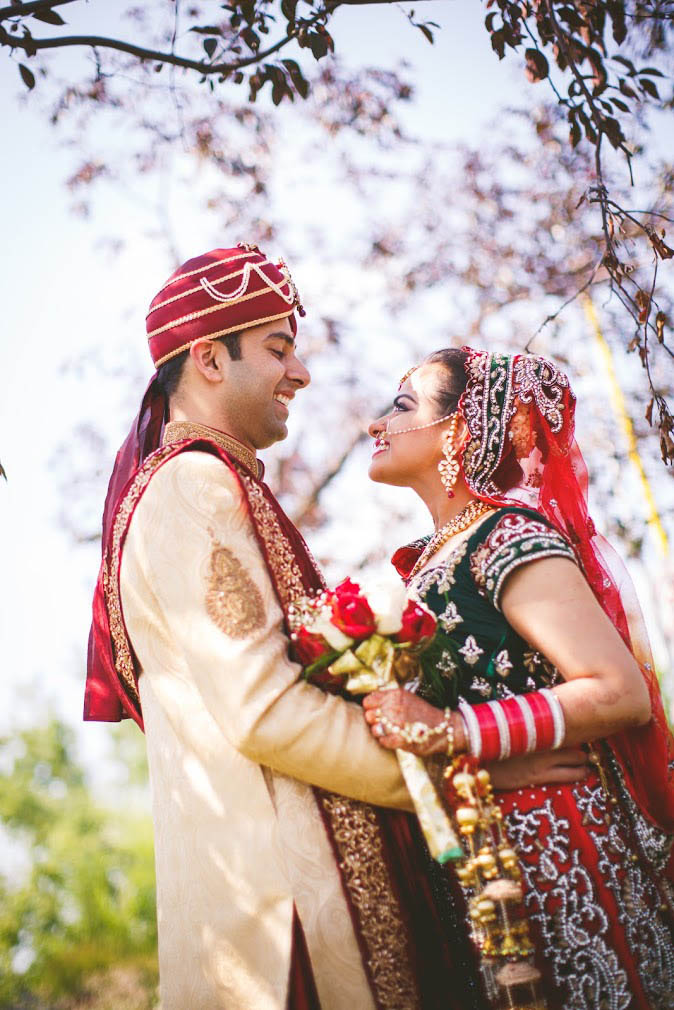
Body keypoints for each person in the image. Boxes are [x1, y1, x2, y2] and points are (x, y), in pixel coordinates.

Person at [84, 248, 593, 1010]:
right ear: (208, 361)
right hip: (283, 922)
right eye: (278, 350)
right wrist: (459, 776)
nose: (301, 375)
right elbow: (265, 712)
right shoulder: (193, 486)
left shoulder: (214, 482)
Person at [363, 346, 674, 1010]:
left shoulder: (505, 538)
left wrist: (453, 730)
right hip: (485, 857)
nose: (375, 424)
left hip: (564, 848)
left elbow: (618, 691)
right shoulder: (435, 560)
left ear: (458, 429)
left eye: (401, 405)